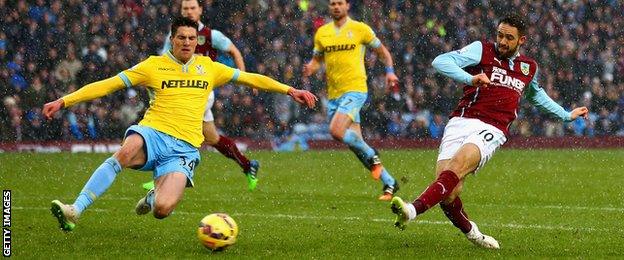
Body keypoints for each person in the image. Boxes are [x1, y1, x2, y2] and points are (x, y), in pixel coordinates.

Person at [45, 17, 317, 231]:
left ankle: (153, 197)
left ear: (196, 41)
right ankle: (75, 210)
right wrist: (65, 101)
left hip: (184, 148)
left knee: (162, 210)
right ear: (172, 40)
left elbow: (251, 78)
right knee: (124, 152)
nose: (187, 43)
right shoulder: (153, 65)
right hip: (153, 132)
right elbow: (109, 85)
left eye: (191, 38)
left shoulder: (209, 67)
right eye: (181, 38)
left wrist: (290, 90)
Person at [389, 14, 589, 248]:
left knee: (456, 167)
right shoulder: (481, 50)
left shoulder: (528, 67)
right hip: (461, 120)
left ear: (521, 40)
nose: (502, 41)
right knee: (448, 194)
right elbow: (440, 62)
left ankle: (411, 210)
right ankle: (474, 234)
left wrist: (566, 115)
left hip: (492, 128)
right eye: (500, 35)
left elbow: (537, 96)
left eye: (509, 38)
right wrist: (470, 78)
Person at [141, 0, 257, 192]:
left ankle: (166, 176)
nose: (189, 12)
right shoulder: (174, 36)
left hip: (200, 92)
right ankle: (248, 165)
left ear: (200, 10)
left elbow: (235, 51)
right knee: (212, 138)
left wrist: (244, 78)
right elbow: (162, 62)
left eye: (192, 8)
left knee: (176, 127)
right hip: (178, 90)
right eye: (185, 8)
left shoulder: (212, 35)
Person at [303, 0, 400, 201]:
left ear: (347, 6)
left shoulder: (360, 29)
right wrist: (311, 67)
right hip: (334, 95)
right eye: (332, 4)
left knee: (336, 131)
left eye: (340, 3)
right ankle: (389, 182)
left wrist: (390, 72)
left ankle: (372, 153)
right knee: (356, 145)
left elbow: (383, 53)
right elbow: (317, 59)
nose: (336, 7)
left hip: (355, 89)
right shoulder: (322, 33)